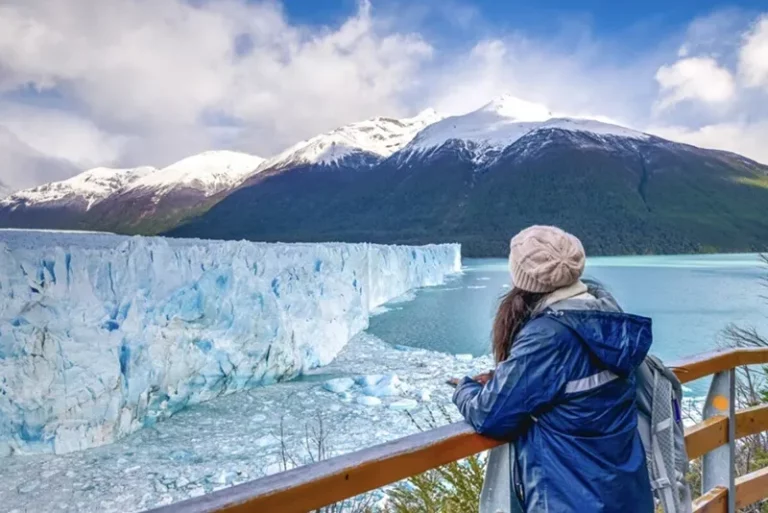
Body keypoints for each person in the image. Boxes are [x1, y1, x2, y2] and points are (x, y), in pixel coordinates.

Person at [451, 225, 654, 513]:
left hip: (570, 499)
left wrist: (465, 388)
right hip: (625, 494)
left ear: (523, 276)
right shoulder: (606, 314)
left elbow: (490, 415)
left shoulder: (547, 336)